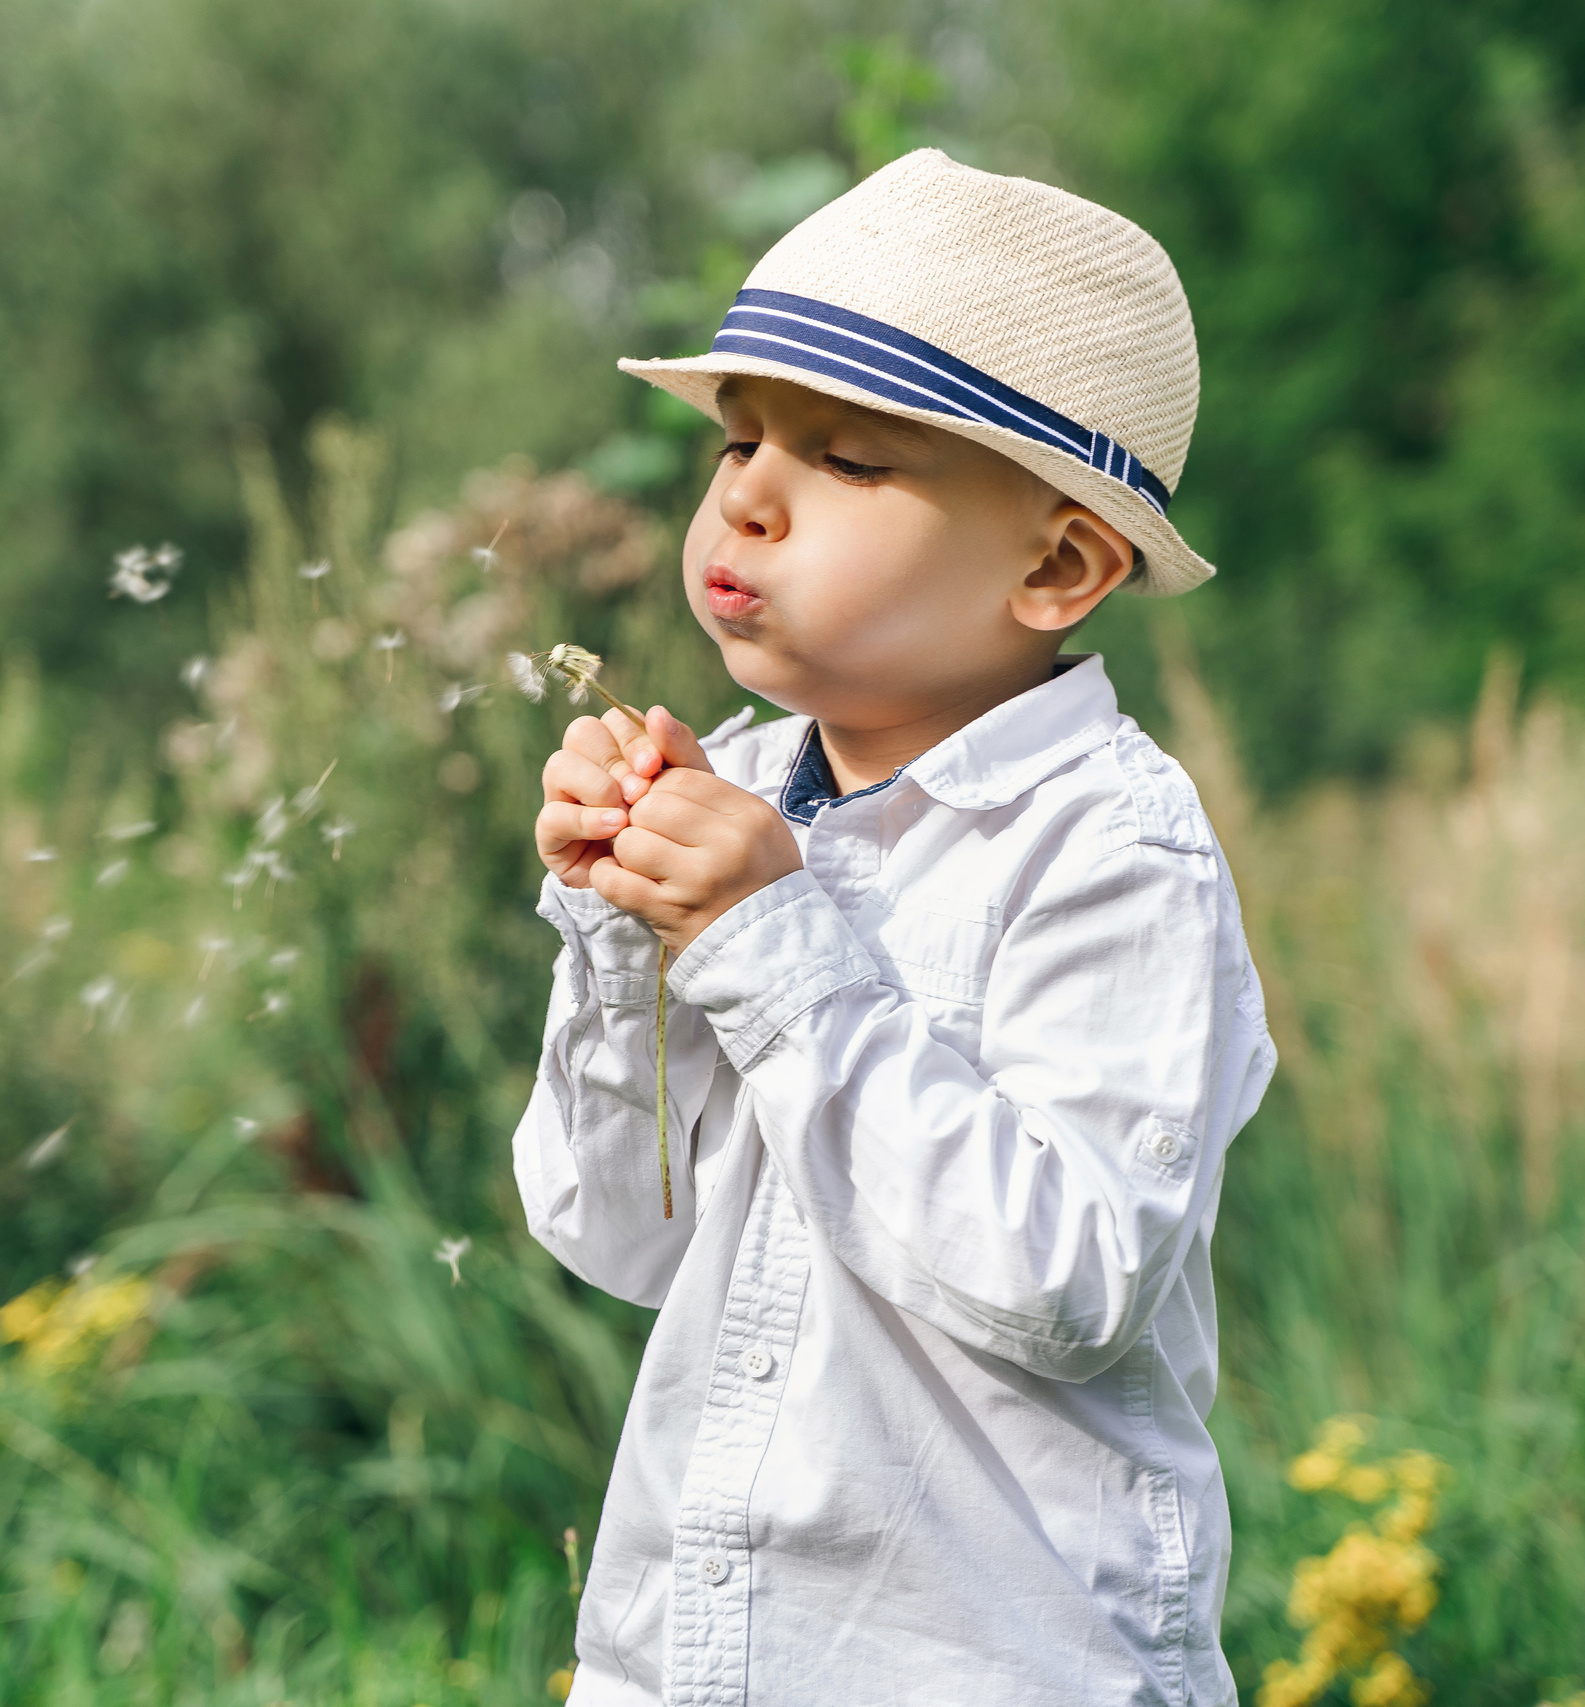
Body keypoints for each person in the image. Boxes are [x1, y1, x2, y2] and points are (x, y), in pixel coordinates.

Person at [513, 148, 1277, 1706]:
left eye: (849, 461)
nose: (750, 498)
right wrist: (619, 936)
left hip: (987, 1660)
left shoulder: (1110, 851)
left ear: (1058, 564)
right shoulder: (735, 802)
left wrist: (762, 939)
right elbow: (618, 1235)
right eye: (741, 440)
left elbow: (1062, 1284)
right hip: (695, 1654)